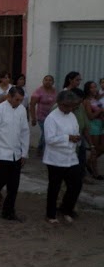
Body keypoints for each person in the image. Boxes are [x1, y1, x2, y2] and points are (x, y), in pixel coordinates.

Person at [0, 86, 30, 221]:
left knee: (14, 185)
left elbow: (25, 132)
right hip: (2, 152)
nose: (18, 102)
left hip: (16, 153)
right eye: (16, 99)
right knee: (0, 180)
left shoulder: (21, 110)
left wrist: (24, 153)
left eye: (21, 100)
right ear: (9, 97)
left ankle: (8, 211)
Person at [43, 90, 82, 224]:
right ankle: (50, 214)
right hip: (55, 158)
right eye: (66, 106)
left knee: (76, 185)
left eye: (71, 106)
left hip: (71, 157)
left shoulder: (72, 116)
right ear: (59, 103)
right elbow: (49, 139)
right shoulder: (52, 118)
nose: (69, 109)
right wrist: (68, 138)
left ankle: (66, 209)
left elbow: (76, 131)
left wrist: (76, 138)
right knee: (55, 187)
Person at [30, 75, 57, 155]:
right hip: (42, 117)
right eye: (46, 80)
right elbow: (32, 105)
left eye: (50, 80)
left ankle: (40, 147)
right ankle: (45, 152)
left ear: (53, 82)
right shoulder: (38, 91)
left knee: (45, 133)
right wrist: (33, 118)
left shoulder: (54, 91)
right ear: (43, 81)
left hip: (52, 117)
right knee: (46, 133)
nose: (48, 82)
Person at [83, 81, 103, 179]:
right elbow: (90, 116)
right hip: (93, 126)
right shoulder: (86, 101)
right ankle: (95, 172)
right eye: (92, 87)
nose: (94, 89)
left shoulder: (96, 98)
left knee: (100, 148)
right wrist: (101, 110)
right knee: (94, 149)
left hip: (100, 125)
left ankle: (88, 163)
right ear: (87, 89)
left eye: (95, 87)